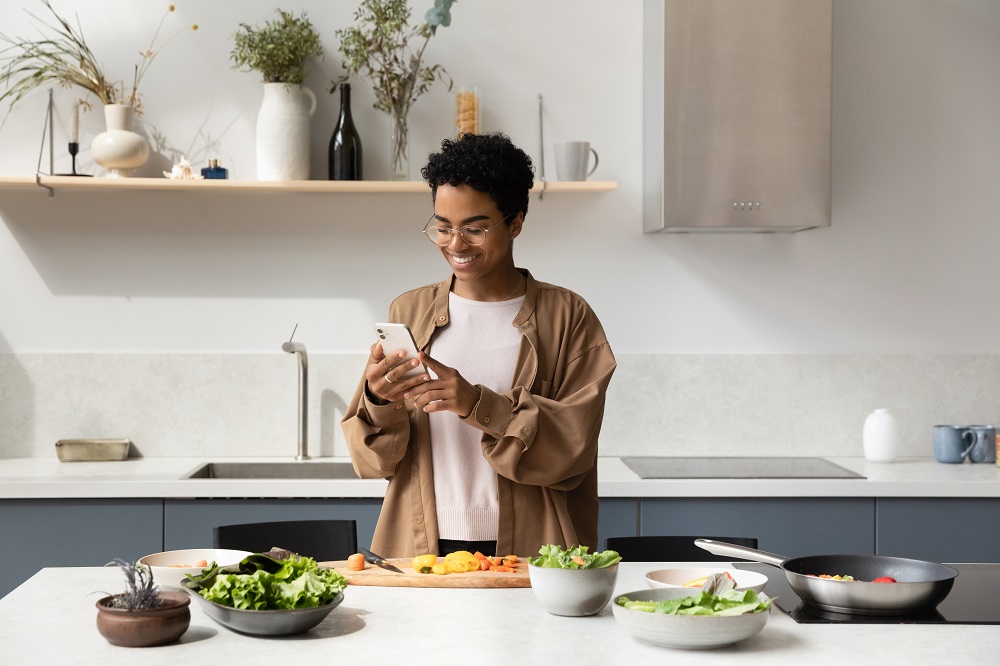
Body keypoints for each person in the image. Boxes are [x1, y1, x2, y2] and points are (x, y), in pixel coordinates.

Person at [342, 132, 615, 558]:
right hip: (420, 545)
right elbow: (373, 461)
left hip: (533, 547)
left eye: (474, 228)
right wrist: (378, 399)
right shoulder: (408, 310)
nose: (455, 244)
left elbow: (573, 449)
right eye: (442, 227)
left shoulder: (569, 316)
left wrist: (475, 402)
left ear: (516, 222)